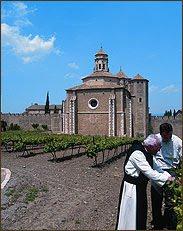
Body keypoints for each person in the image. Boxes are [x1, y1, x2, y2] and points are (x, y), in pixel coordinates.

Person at [116, 134, 174, 230]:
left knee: (141, 212)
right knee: (131, 214)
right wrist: (168, 180)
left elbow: (158, 169)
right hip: (132, 188)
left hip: (140, 187)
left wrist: (171, 177)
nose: (159, 150)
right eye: (158, 148)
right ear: (151, 146)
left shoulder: (149, 153)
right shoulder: (137, 153)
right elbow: (150, 173)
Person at [151, 123, 182, 230]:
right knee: (156, 199)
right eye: (163, 136)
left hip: (172, 171)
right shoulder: (155, 139)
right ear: (160, 133)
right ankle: (157, 223)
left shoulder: (178, 142)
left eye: (167, 136)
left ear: (171, 133)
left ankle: (169, 223)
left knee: (170, 201)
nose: (165, 139)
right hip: (157, 172)